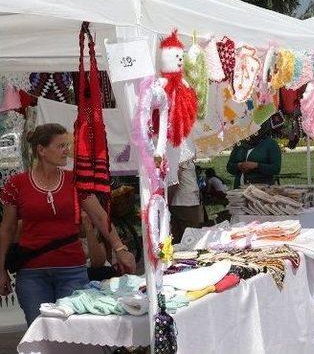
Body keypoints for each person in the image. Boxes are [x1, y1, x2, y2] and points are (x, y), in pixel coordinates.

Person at [0, 124, 136, 325]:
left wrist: (120, 248)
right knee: (40, 331)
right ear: (41, 150)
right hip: (31, 273)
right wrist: (0, 269)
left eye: (67, 145)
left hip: (71, 270)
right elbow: (7, 229)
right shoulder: (16, 184)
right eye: (60, 146)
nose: (66, 151)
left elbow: (99, 216)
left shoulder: (75, 181)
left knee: (72, 332)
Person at [227, 122, 282, 189]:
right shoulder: (240, 144)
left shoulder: (271, 144)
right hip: (239, 191)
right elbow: (229, 166)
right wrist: (239, 166)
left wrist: (256, 165)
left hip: (261, 190)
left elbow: (275, 169)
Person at [168, 157, 204, 243]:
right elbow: (175, 180)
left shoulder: (184, 153)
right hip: (184, 202)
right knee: (191, 239)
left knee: (188, 237)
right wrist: (168, 200)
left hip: (187, 200)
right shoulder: (180, 154)